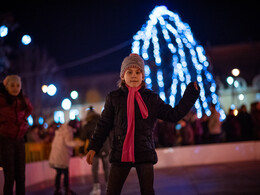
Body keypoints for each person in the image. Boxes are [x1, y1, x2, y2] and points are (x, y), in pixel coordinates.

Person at [86, 53, 200, 195]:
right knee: (112, 192)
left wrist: (190, 95)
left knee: (147, 192)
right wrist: (93, 147)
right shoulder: (114, 98)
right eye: (130, 72)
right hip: (121, 153)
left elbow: (173, 115)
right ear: (122, 75)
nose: (134, 75)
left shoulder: (151, 98)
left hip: (144, 152)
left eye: (138, 72)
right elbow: (103, 125)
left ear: (143, 76)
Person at [0, 75, 33, 195]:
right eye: (12, 85)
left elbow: (29, 110)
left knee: (21, 177)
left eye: (18, 85)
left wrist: (24, 121)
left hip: (19, 140)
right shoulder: (2, 100)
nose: (15, 88)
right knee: (9, 177)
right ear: (6, 86)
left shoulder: (23, 100)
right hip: (5, 140)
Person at [79, 106, 110, 195]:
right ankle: (109, 187)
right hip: (105, 147)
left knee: (94, 170)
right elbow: (110, 134)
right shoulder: (103, 122)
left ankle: (97, 189)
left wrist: (81, 151)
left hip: (94, 150)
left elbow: (83, 139)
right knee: (107, 169)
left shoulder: (87, 126)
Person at [49, 119, 84, 195]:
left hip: (56, 154)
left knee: (58, 172)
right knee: (65, 172)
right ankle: (67, 190)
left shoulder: (62, 129)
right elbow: (68, 143)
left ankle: (57, 189)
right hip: (62, 155)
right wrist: (79, 143)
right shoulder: (68, 130)